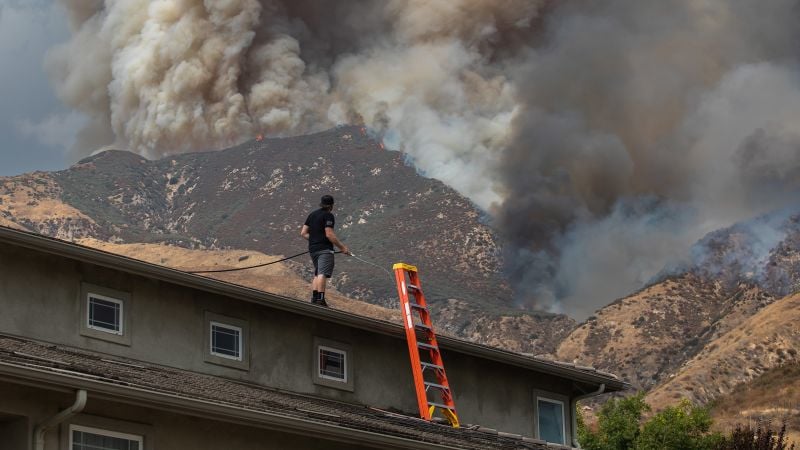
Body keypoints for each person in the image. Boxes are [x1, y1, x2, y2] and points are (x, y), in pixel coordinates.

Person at [300, 195, 349, 306]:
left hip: (313, 249)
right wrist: (342, 248)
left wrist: (314, 239)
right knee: (322, 273)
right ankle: (320, 299)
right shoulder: (328, 216)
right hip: (324, 249)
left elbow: (303, 233)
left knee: (317, 273)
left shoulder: (312, 215)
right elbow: (329, 234)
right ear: (331, 205)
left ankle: (315, 298)